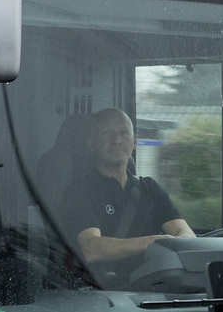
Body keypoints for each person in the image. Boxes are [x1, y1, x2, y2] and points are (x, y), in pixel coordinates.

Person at [57, 108, 194, 270]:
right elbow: (91, 248)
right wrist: (156, 243)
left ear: (135, 141)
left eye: (123, 132)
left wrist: (178, 243)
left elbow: (186, 234)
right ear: (91, 144)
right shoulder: (79, 191)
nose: (116, 140)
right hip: (102, 290)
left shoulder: (150, 188)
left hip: (152, 284)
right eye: (106, 133)